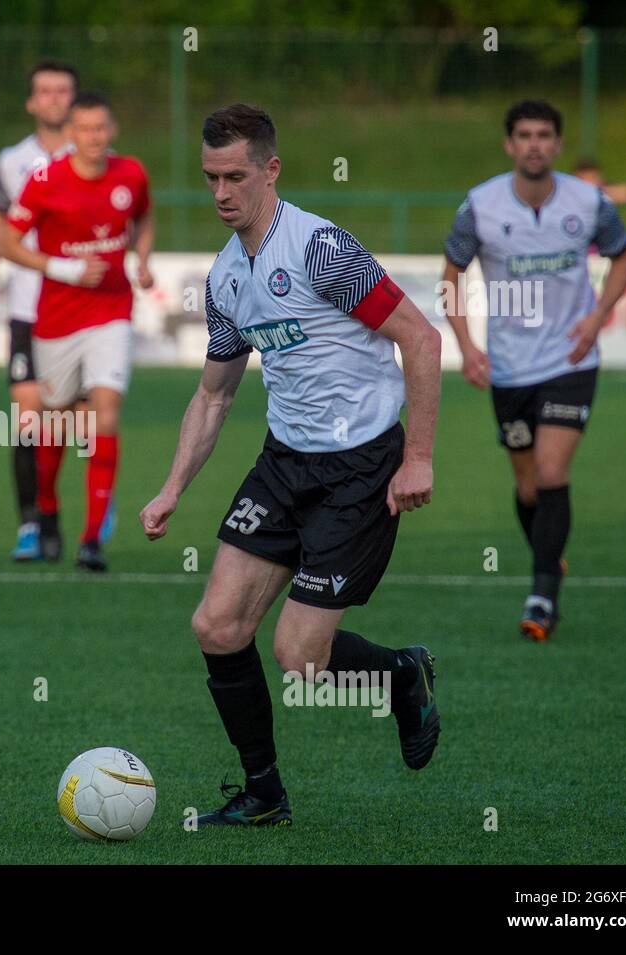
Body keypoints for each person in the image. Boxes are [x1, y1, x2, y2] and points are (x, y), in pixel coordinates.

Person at [139, 104, 442, 827]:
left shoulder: (321, 251)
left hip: (361, 467)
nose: (221, 193)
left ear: (270, 170)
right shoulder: (223, 279)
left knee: (302, 658)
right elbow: (214, 395)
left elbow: (422, 339)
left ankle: (402, 674)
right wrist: (172, 487)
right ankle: (264, 792)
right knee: (216, 625)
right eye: (211, 178)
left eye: (236, 176)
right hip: (284, 462)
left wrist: (419, 456)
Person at [442, 100, 626, 641]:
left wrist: (597, 318)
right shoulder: (478, 206)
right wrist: (467, 346)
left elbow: (623, 257)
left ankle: (542, 593)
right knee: (528, 488)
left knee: (552, 473)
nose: (534, 144)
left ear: (557, 144)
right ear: (510, 144)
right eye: (524, 134)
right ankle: (551, 555)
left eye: (544, 135)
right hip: (508, 366)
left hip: (570, 361)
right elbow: (451, 274)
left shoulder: (589, 201)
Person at [0, 91, 154, 572]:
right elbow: (7, 241)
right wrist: (61, 269)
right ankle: (47, 508)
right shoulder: (45, 181)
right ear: (70, 134)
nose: (93, 137)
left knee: (104, 414)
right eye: (84, 129)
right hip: (57, 321)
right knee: (57, 422)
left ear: (113, 130)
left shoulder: (131, 173)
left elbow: (143, 216)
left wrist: (142, 260)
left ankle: (92, 540)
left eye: (101, 128)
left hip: (111, 312)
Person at [0, 60, 78, 561]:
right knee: (26, 418)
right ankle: (30, 525)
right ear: (31, 102)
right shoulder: (11, 159)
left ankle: (56, 516)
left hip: (75, 310)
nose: (54, 99)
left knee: (66, 423)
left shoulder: (88, 158)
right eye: (45, 91)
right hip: (26, 308)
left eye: (63, 91)